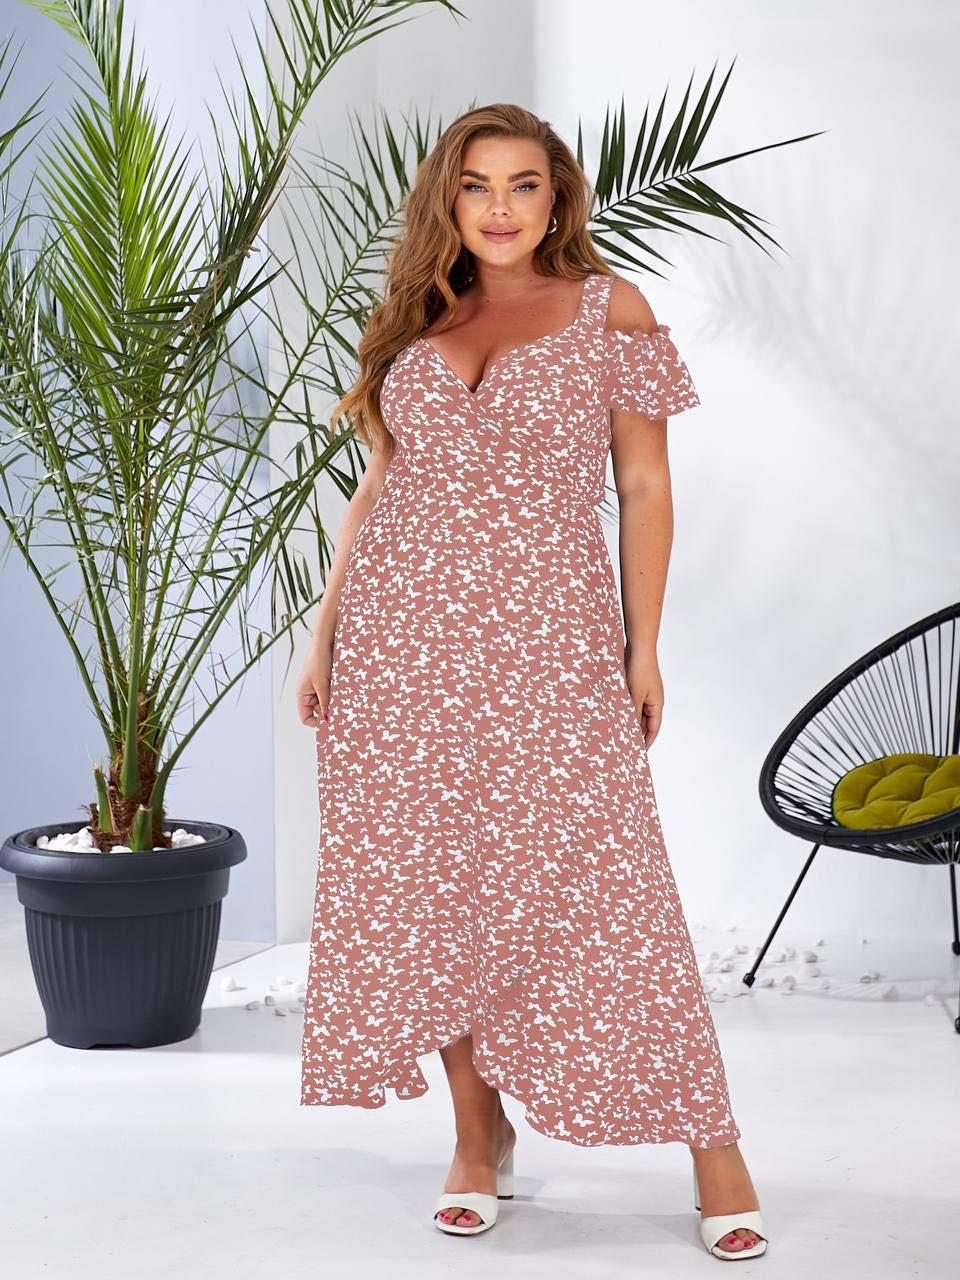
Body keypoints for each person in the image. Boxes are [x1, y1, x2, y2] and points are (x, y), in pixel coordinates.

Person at [296, 102, 768, 1262]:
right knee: (431, 890)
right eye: (476, 186)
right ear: (447, 202)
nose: (499, 208)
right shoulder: (416, 316)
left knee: (611, 887)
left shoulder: (612, 310)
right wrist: (324, 635)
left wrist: (642, 646)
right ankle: (477, 1133)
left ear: (558, 200)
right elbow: (377, 489)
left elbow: (645, 486)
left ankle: (715, 1144)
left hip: (549, 648)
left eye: (522, 184)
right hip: (400, 650)